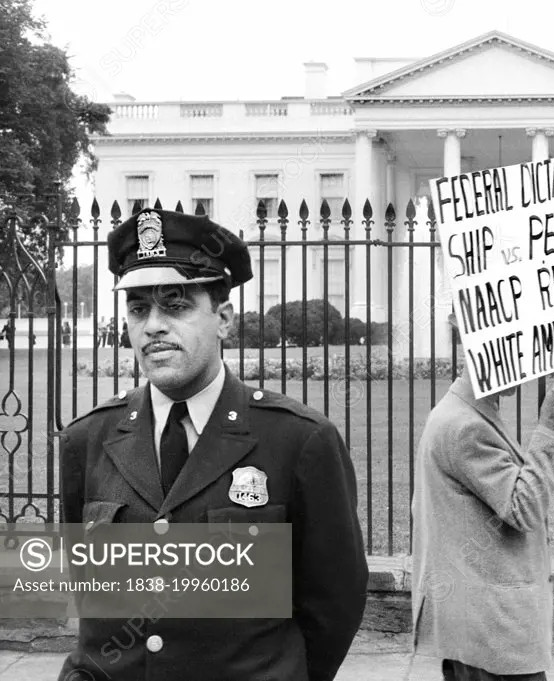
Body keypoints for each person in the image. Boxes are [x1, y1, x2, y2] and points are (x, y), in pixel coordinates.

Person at [58, 208, 368, 681]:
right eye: (139, 308)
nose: (153, 325)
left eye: (176, 306)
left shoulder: (299, 441)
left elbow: (334, 605)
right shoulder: (88, 439)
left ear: (223, 319)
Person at [410, 315, 554, 681]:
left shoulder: (466, 412)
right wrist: (550, 422)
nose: (530, 364)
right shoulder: (464, 426)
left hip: (483, 631)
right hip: (488, 632)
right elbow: (525, 508)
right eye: (521, 351)